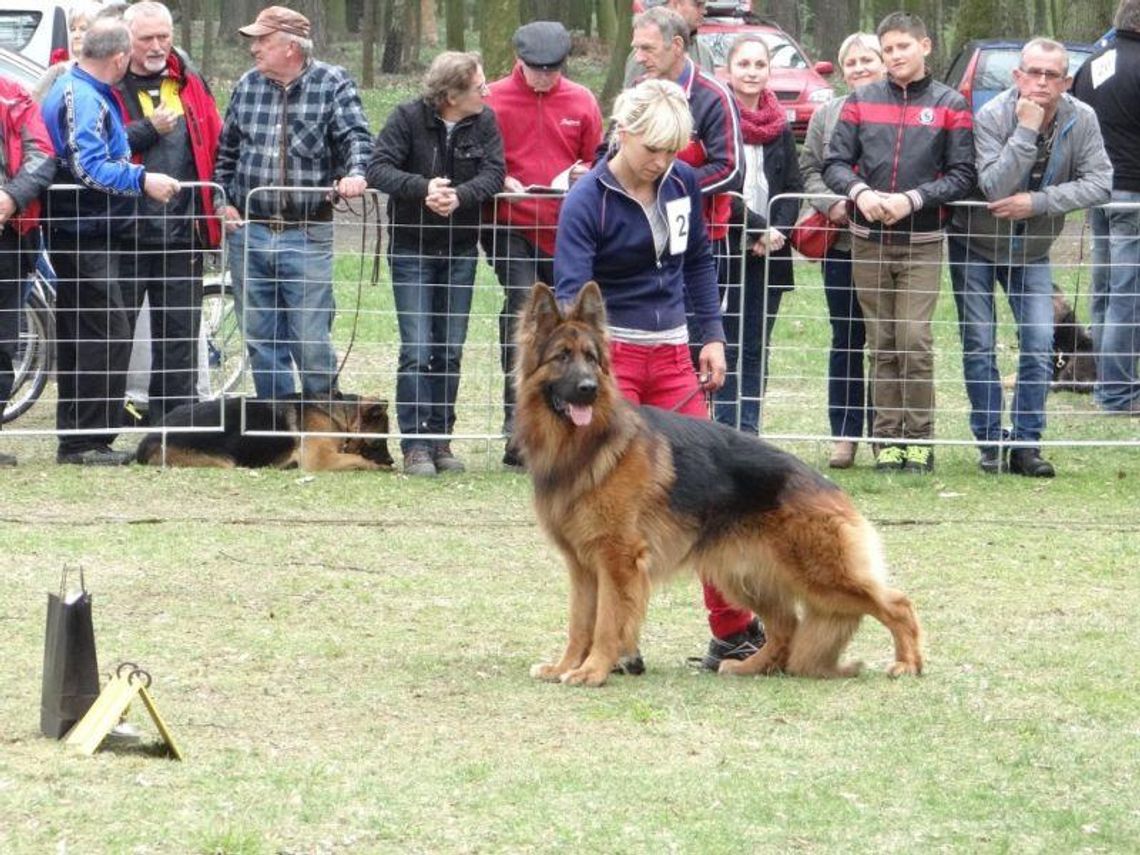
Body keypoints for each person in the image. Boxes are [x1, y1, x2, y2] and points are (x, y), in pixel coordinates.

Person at [554, 79, 764, 675]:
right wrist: (591, 371)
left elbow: (698, 260)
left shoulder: (682, 185)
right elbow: (572, 295)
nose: (661, 162)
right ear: (623, 134)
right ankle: (618, 642)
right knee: (610, 511)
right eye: (653, 149)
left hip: (674, 358)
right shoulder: (587, 200)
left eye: (673, 151)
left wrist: (712, 335)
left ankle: (734, 631)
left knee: (710, 495)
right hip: (612, 370)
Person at [950, 39, 1112, 476]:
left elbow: (1100, 182)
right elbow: (995, 188)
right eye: (1033, 73)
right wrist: (1025, 130)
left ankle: (1026, 443)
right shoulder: (991, 116)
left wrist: (1038, 202)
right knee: (980, 345)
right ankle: (989, 441)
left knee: (1040, 343)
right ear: (1017, 76)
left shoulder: (1083, 119)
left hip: (1032, 250)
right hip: (976, 246)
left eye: (1052, 75)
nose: (1042, 82)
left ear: (1066, 81)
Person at [823, 11, 975, 473]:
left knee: (914, 340)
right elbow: (835, 162)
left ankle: (919, 439)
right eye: (887, 50)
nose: (894, 57)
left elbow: (963, 174)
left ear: (924, 47)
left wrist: (914, 198)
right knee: (882, 342)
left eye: (902, 48)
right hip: (868, 239)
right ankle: (887, 441)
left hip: (922, 239)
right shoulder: (860, 100)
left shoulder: (951, 104)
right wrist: (860, 192)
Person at [213, 5, 373, 404]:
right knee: (260, 335)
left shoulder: (332, 83)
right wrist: (223, 202)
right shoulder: (246, 86)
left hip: (306, 231)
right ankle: (277, 424)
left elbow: (357, 137)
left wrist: (355, 173)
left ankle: (322, 417)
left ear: (291, 47)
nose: (255, 49)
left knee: (310, 336)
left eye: (263, 41)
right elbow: (225, 154)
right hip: (249, 230)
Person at [41, 17, 182, 465]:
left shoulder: (81, 90)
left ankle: (87, 439)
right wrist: (143, 179)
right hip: (84, 234)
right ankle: (85, 442)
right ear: (120, 57)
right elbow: (88, 167)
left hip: (91, 234)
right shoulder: (83, 98)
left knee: (95, 334)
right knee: (103, 336)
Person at [368, 52, 505, 477]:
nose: (486, 91)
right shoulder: (407, 118)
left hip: (460, 250)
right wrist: (423, 188)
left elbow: (495, 173)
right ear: (450, 95)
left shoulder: (484, 122)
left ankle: (441, 438)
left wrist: (460, 196)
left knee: (448, 351)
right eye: (478, 85)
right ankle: (415, 444)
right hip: (412, 251)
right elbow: (378, 169)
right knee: (417, 350)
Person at [484, 21, 603, 469]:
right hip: (511, 223)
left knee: (572, 327)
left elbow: (596, 158)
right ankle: (517, 427)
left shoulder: (582, 101)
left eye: (553, 70)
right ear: (519, 61)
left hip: (567, 229)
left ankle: (571, 425)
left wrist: (582, 174)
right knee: (525, 314)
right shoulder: (494, 98)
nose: (544, 78)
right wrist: (500, 179)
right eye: (536, 69)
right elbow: (480, 156)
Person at [116, 1, 222, 421]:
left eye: (164, 36)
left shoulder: (190, 82)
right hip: (121, 231)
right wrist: (148, 130)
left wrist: (218, 204)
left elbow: (215, 143)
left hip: (182, 232)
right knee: (114, 332)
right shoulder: (105, 82)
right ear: (127, 41)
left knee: (179, 332)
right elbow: (87, 147)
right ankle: (104, 417)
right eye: (147, 39)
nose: (158, 46)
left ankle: (177, 420)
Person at [799, 33, 885, 469]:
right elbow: (810, 168)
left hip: (893, 245)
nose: (859, 68)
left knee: (891, 341)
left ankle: (889, 435)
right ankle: (845, 433)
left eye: (867, 59)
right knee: (847, 339)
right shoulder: (826, 114)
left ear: (885, 62)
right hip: (843, 246)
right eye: (850, 62)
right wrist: (829, 204)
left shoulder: (899, 109)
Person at [713, 33, 802, 435]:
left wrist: (778, 230)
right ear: (728, 71)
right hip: (728, 244)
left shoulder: (780, 124)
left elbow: (792, 185)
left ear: (769, 70)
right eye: (743, 64)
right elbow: (721, 185)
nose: (751, 72)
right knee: (725, 341)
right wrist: (756, 227)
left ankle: (749, 429)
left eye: (759, 65)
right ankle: (724, 427)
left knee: (756, 345)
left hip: (771, 250)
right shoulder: (718, 116)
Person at [1072, 0, 1140, 416]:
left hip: (1097, 190)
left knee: (1106, 289)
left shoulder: (1093, 62)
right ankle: (1117, 393)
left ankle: (1104, 381)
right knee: (1128, 295)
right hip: (1133, 192)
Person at [630, 6, 742, 246]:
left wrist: (665, 187)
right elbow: (611, 149)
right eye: (636, 48)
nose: (638, 57)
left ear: (677, 45)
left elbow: (730, 169)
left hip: (699, 236)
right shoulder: (636, 91)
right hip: (639, 229)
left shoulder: (714, 97)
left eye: (647, 48)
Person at [0, 76, 55, 465]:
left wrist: (11, 197)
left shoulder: (15, 97)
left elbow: (42, 155)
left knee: (2, 345)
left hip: (11, 239)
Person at [623, 0, 716, 86]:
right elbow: (630, 99)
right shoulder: (644, 53)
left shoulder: (704, 53)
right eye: (698, 5)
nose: (704, 11)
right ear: (676, 3)